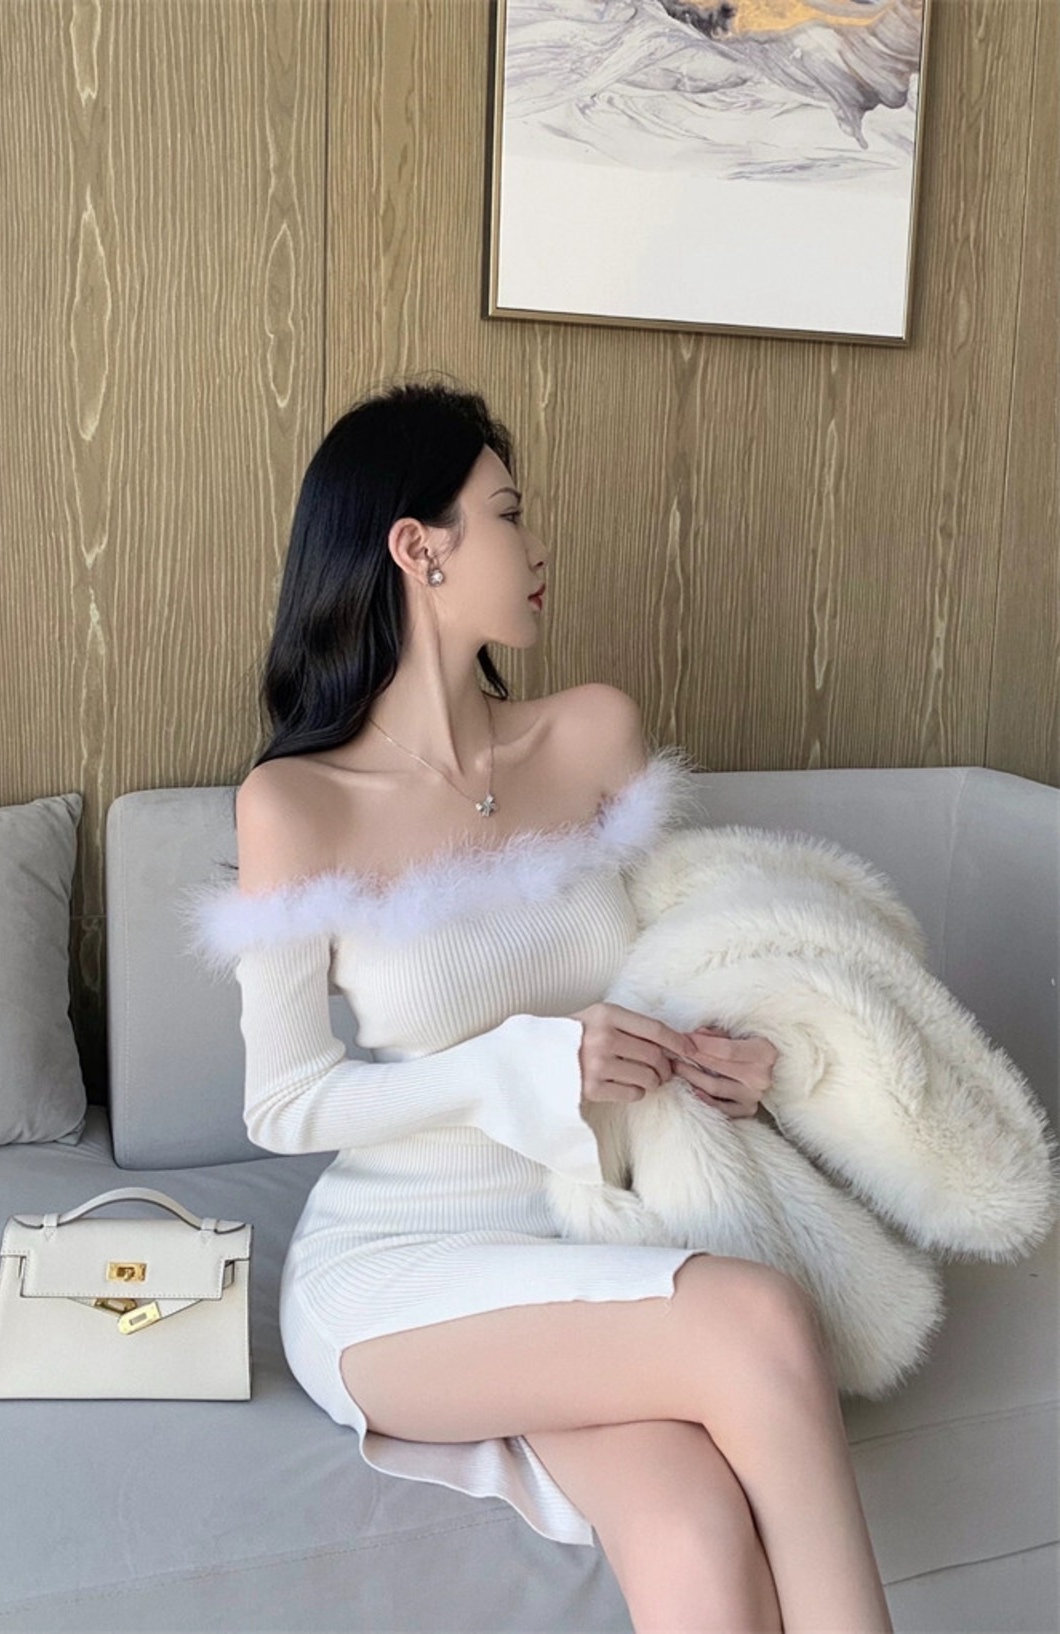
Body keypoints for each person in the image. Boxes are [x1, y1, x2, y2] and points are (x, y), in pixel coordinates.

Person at [189, 379, 893, 1633]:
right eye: (506, 512)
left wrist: (743, 1053)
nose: (535, 544)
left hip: (594, 1231)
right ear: (418, 547)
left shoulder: (591, 734)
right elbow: (283, 1102)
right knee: (758, 1318)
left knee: (690, 1523)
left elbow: (682, 958)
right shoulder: (297, 803)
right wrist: (519, 1063)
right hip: (397, 1264)